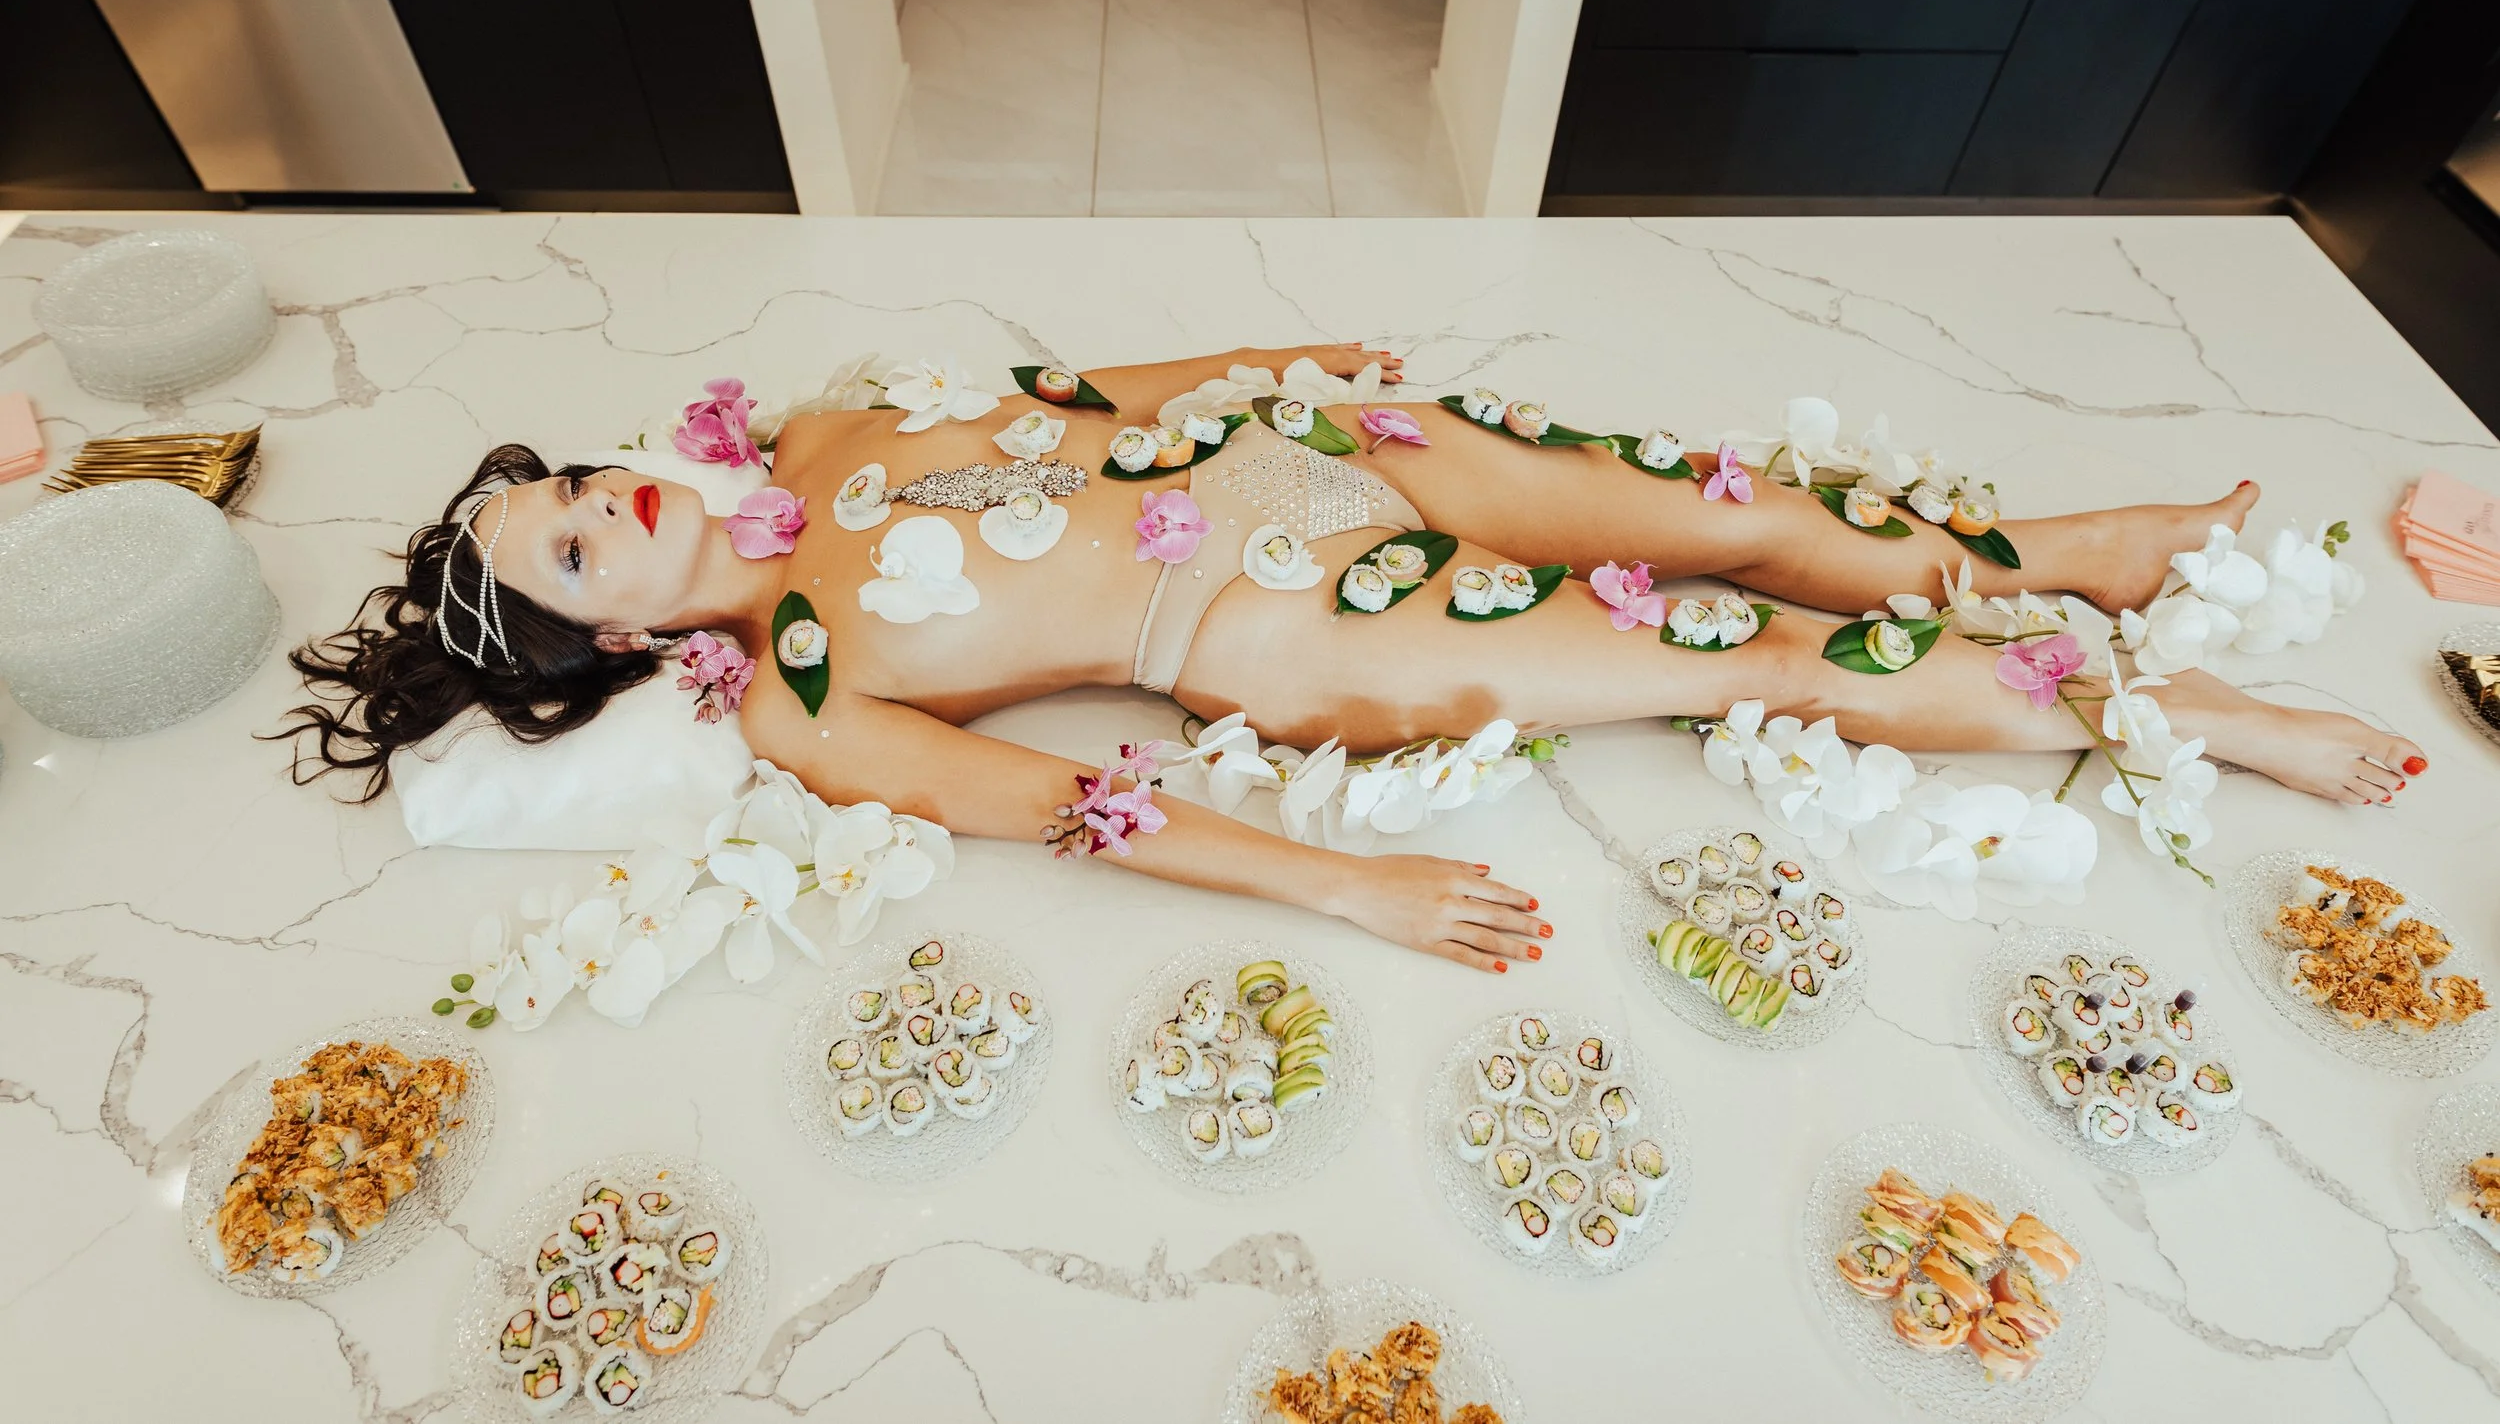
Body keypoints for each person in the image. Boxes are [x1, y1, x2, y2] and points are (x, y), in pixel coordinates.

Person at [279, 343, 2426, 972]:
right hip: (1309, 626)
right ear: (620, 644)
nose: (605, 497)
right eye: (571, 549)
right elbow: (1072, 803)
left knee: (1740, 503)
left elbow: (1077, 393)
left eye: (569, 483)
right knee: (1746, 645)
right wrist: (1349, 881)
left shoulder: (817, 435)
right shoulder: (826, 693)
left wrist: (1279, 357)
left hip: (1331, 447)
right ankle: (2187, 711)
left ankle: (2047, 549)